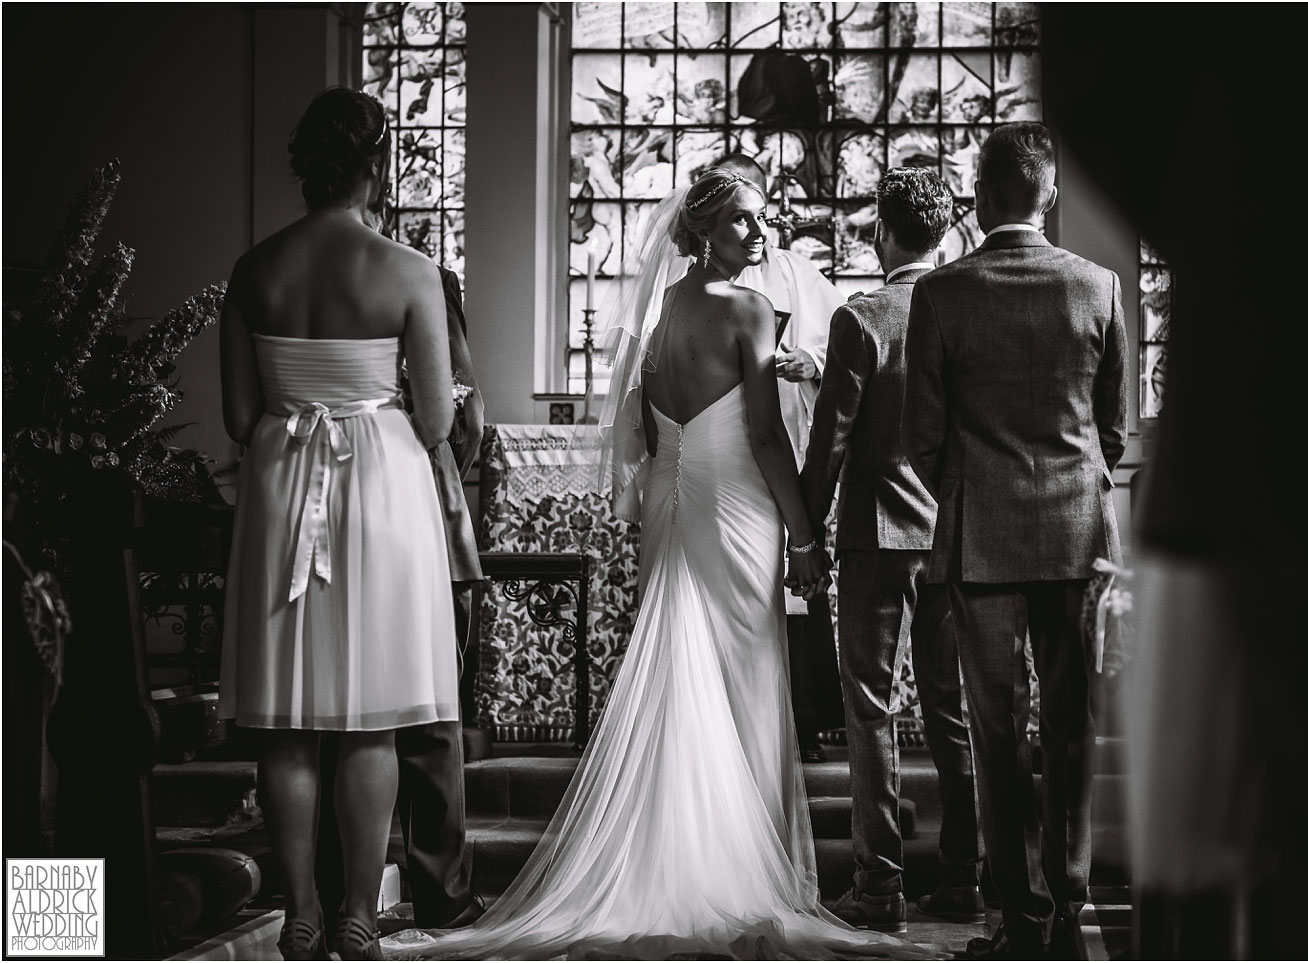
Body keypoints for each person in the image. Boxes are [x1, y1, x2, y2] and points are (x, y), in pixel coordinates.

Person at [387, 170, 927, 961]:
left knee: (685, 666)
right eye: (744, 222)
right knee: (742, 675)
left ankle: (679, 852)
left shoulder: (667, 308)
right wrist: (806, 536)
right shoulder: (746, 308)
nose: (762, 234)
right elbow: (770, 439)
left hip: (678, 497)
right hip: (736, 503)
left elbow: (648, 413)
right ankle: (741, 868)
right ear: (704, 230)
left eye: (764, 220)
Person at [217, 86, 459, 962]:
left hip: (286, 487)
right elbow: (434, 419)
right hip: (381, 490)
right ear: (375, 164)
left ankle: (301, 907)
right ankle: (360, 908)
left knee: (286, 719)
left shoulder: (254, 270)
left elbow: (241, 415)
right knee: (372, 715)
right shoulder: (408, 270)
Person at [902, 121, 1128, 960]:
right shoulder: (1098, 286)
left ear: (981, 195)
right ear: (1050, 196)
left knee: (997, 729)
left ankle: (1021, 917)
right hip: (1074, 532)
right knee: (1071, 722)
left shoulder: (943, 292)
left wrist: (972, 484)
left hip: (979, 535)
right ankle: (1073, 904)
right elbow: (1113, 428)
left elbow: (922, 435)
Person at [800, 168, 985, 934]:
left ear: (882, 230)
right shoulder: (970, 310)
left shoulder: (862, 317)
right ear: (942, 233)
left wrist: (804, 532)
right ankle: (964, 874)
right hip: (953, 534)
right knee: (951, 708)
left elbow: (831, 443)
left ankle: (881, 886)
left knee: (870, 709)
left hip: (878, 536)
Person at [314, 202, 487, 940]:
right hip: (415, 497)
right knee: (432, 708)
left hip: (315, 499)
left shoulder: (292, 268)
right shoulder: (426, 279)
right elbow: (463, 409)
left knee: (329, 704)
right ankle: (440, 889)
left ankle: (333, 891)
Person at [713, 150, 846, 764]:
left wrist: (809, 363)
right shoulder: (699, 284)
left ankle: (805, 719)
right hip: (725, 450)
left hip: (784, 432)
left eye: (759, 208)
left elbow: (841, 335)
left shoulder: (796, 272)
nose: (755, 228)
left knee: (795, 576)